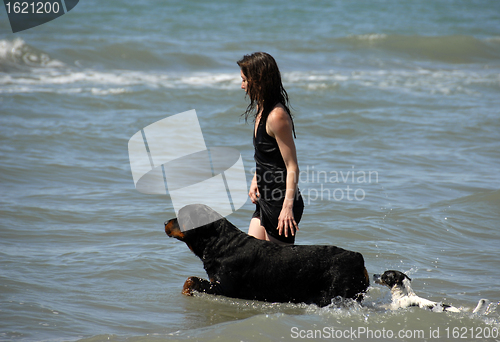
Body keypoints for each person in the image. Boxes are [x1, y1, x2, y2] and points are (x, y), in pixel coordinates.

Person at [237, 52, 304, 245]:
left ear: (257, 81)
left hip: (280, 203)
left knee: (279, 273)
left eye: (244, 80)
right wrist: (256, 178)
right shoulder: (262, 109)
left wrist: (287, 208)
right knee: (251, 264)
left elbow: (292, 166)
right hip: (265, 198)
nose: (242, 86)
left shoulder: (276, 116)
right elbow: (267, 155)